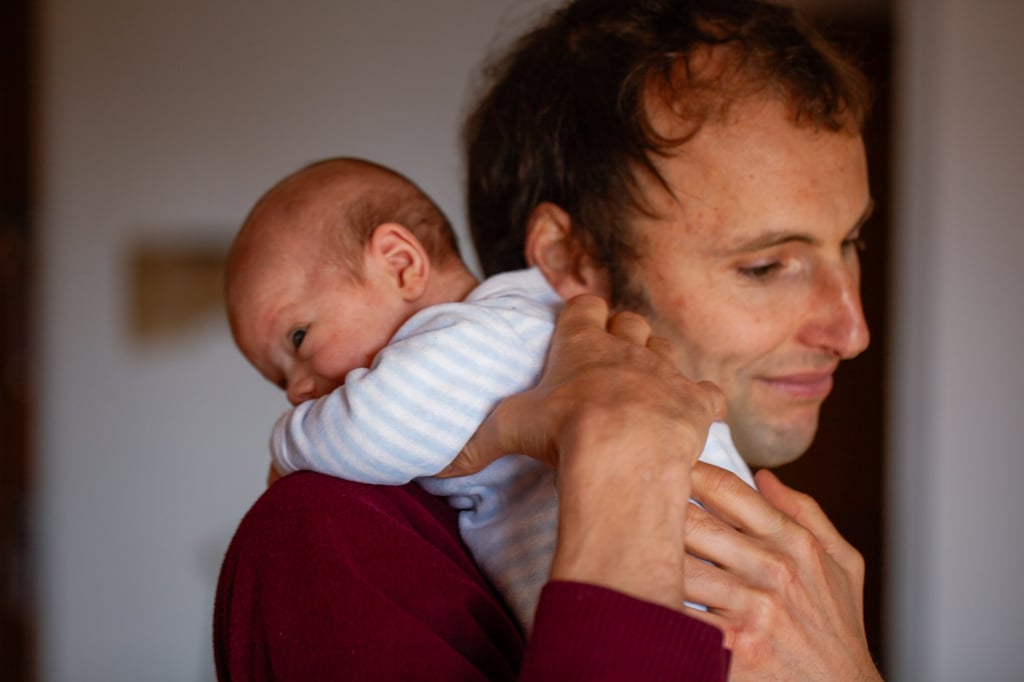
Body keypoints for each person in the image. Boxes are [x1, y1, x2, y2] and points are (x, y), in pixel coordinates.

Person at [215, 0, 884, 679]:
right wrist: (622, 464)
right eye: (765, 266)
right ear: (568, 260)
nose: (853, 331)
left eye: (852, 241)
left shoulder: (791, 591)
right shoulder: (329, 539)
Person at [224, 155, 755, 633]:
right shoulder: (512, 329)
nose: (296, 391)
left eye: (298, 338)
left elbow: (367, 429)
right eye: (278, 379)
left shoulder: (478, 335)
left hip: (690, 614)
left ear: (400, 264)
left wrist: (286, 448)